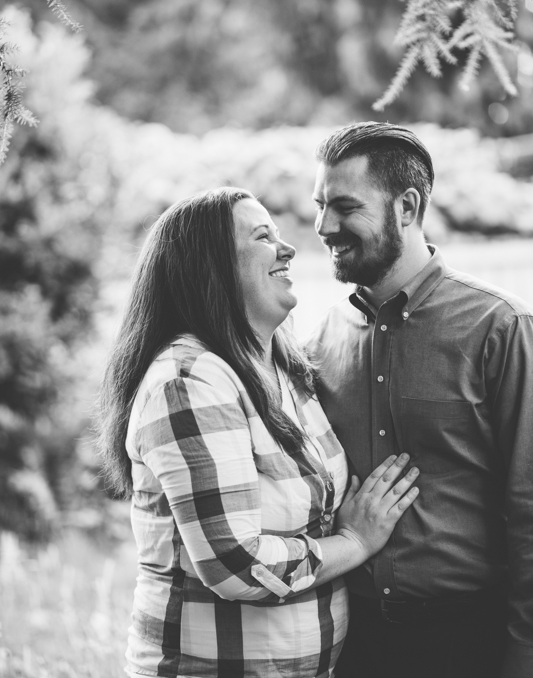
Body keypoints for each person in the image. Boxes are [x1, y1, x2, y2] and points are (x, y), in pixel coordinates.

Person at [97, 186, 420, 678]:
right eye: (263, 236)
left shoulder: (283, 369)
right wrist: (354, 541)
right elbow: (236, 564)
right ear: (212, 267)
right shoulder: (190, 382)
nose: (288, 248)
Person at [308, 121, 533, 678]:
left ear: (405, 207)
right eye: (319, 206)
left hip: (469, 640)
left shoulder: (500, 327)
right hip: (350, 641)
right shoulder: (318, 341)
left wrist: (524, 654)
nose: (322, 226)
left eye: (343, 207)